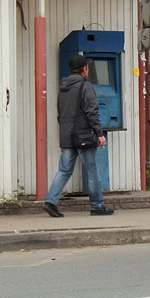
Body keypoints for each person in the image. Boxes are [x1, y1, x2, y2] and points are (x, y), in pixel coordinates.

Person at [43, 55, 114, 217]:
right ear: (84, 69)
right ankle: (97, 206)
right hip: (83, 136)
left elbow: (60, 113)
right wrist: (99, 134)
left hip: (67, 135)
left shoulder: (63, 87)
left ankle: (50, 201)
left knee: (64, 170)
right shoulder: (85, 86)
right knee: (91, 170)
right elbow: (92, 112)